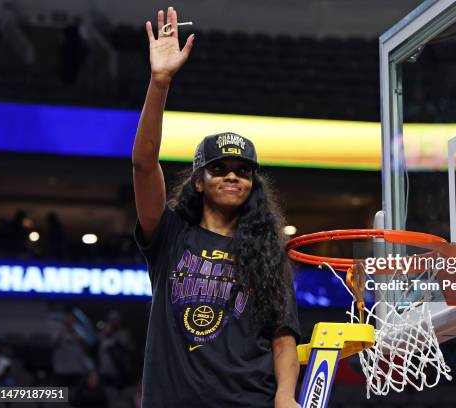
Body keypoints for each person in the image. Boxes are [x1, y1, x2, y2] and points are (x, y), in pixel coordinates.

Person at [132, 7, 300, 407]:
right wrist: (160, 82)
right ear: (198, 181)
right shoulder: (171, 234)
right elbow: (142, 164)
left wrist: (286, 396)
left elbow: (283, 337)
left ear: (252, 183)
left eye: (243, 170)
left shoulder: (268, 253)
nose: (232, 176)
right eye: (219, 168)